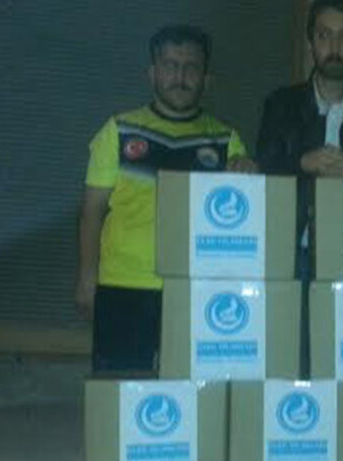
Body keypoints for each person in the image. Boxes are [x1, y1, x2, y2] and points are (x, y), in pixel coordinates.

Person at [76, 24, 254, 376]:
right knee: (121, 394)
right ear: (152, 73)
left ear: (207, 79)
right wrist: (86, 277)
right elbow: (91, 211)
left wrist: (249, 173)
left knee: (190, 397)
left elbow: (242, 220)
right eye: (171, 65)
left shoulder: (226, 140)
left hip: (196, 291)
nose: (180, 77)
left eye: (191, 67)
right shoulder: (118, 130)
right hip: (123, 284)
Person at [256, 0, 343, 375]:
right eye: (324, 35)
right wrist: (301, 163)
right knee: (290, 363)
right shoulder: (282, 104)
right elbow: (261, 172)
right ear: (310, 43)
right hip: (291, 253)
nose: (335, 47)